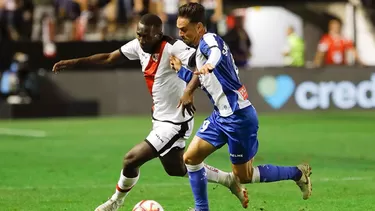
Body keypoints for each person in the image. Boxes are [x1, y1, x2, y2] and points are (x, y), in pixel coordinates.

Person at [52, 13, 244, 211]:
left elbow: (200, 64)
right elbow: (109, 58)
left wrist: (188, 91)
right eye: (139, 35)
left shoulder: (173, 47)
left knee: (131, 159)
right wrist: (73, 62)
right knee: (176, 169)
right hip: (160, 120)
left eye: (147, 36)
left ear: (159, 34)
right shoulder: (138, 45)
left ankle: (115, 202)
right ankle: (228, 179)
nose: (142, 40)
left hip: (176, 122)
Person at [169, 3, 313, 211]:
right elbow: (203, 80)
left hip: (238, 117)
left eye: (184, 29)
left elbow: (216, 53)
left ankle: (297, 173)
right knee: (191, 158)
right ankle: (202, 209)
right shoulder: (200, 51)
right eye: (178, 29)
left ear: (199, 27)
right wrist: (181, 71)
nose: (180, 33)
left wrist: (212, 62)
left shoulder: (209, 41)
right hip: (221, 116)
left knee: (243, 176)